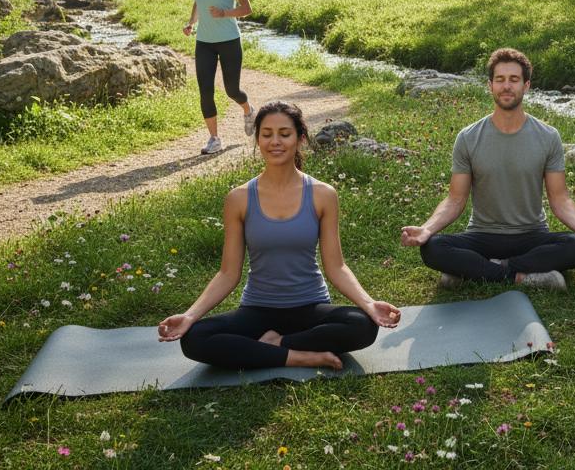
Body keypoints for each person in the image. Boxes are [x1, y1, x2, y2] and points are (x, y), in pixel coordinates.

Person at [158, 101, 401, 370]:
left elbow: (336, 266)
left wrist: (369, 304)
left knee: (362, 325)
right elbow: (228, 273)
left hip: (310, 306)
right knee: (195, 338)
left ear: (300, 139)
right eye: (267, 134)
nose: (275, 141)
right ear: (258, 139)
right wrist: (190, 316)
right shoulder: (239, 199)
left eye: (285, 134)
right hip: (258, 309)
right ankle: (297, 355)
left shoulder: (322, 195)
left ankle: (275, 345)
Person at [400, 48, 575, 291]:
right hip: (482, 234)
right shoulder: (468, 138)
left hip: (531, 235)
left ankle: (476, 271)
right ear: (490, 85)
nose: (507, 86)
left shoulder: (548, 136)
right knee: (432, 248)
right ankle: (521, 276)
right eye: (500, 79)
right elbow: (455, 199)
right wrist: (426, 229)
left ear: (526, 85)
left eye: (514, 79)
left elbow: (560, 198)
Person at [183, 0, 256, 155]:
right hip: (204, 42)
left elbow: (246, 9)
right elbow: (199, 2)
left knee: (232, 90)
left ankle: (249, 110)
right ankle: (214, 139)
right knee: (205, 91)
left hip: (229, 41)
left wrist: (224, 13)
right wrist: (191, 23)